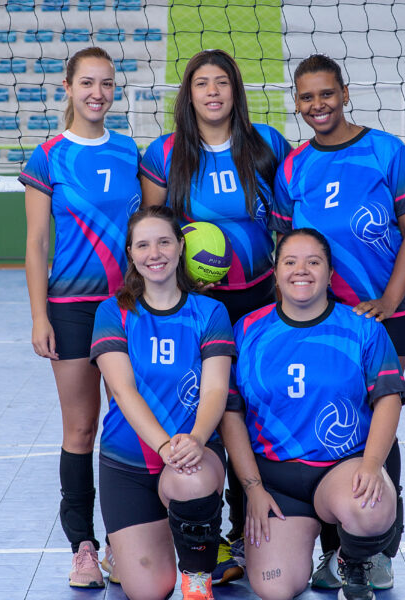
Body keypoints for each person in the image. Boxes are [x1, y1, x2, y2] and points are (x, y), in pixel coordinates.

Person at [270, 53, 405, 589]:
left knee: (377, 421)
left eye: (326, 93)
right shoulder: (293, 166)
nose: (317, 104)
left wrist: (388, 299)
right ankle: (337, 552)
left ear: (344, 93)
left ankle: (378, 550)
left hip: (383, 316)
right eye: (307, 97)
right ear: (297, 103)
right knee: (327, 422)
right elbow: (287, 246)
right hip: (319, 321)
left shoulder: (386, 151)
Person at [140, 49, 292, 572]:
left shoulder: (266, 143)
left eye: (222, 82)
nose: (212, 91)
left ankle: (249, 527)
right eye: (201, 83)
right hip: (201, 305)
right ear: (188, 94)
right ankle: (206, 535)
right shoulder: (165, 153)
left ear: (236, 90)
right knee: (205, 408)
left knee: (252, 408)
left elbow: (288, 222)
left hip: (260, 298)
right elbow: (155, 229)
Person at [220, 229, 405, 600]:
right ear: (276, 273)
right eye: (290, 262)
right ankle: (310, 550)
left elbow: (388, 399)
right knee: (275, 587)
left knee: (369, 507)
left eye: (313, 262)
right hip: (276, 481)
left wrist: (372, 466)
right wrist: (252, 490)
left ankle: (350, 559)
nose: (301, 270)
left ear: (330, 273)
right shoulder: (246, 330)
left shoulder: (362, 328)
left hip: (340, 468)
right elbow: (231, 414)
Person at [19, 46, 142, 587]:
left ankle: (122, 539)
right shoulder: (48, 156)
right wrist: (38, 316)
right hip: (70, 307)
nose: (98, 93)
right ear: (67, 87)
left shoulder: (129, 150)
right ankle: (83, 548)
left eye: (107, 84)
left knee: (128, 423)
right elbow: (36, 243)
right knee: (82, 427)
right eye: (87, 83)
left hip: (126, 307)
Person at [89, 206, 236, 600]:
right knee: (149, 590)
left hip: (193, 453)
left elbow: (215, 390)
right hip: (129, 460)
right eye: (143, 245)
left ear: (181, 246)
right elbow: (123, 391)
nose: (154, 253)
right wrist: (164, 446)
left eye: (164, 242)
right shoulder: (113, 312)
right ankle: (153, 545)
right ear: (131, 253)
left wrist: (196, 439)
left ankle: (197, 577)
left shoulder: (210, 312)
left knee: (191, 479)